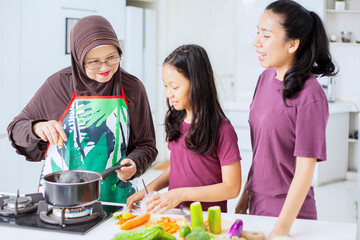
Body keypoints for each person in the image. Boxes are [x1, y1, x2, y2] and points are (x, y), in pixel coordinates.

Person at [7, 15, 157, 203]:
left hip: (115, 198)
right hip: (60, 196)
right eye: (94, 61)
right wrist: (38, 127)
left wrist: (136, 163)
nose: (104, 67)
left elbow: (147, 146)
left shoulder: (133, 88)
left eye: (112, 57)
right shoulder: (58, 85)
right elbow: (15, 128)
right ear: (78, 59)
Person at [235, 0, 337, 239]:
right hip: (257, 207)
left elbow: (304, 170)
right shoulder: (264, 79)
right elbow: (262, 150)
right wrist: (245, 198)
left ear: (292, 44)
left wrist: (281, 229)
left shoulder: (310, 95)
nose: (256, 42)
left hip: (290, 219)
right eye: (257, 32)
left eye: (266, 36)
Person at [126, 44, 242, 213]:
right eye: (165, 86)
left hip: (206, 221)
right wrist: (149, 189)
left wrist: (180, 194)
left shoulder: (222, 130)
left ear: (197, 84)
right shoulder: (176, 120)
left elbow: (232, 188)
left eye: (174, 87)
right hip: (176, 216)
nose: (168, 94)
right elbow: (178, 166)